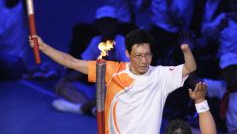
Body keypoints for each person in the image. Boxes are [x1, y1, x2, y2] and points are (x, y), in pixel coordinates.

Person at [29, 29, 196, 134]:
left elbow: (190, 67)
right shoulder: (111, 70)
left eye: (148, 55)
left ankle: (84, 108)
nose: (144, 60)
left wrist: (186, 50)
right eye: (139, 55)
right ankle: (86, 108)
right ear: (128, 54)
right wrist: (43, 47)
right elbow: (70, 62)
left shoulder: (160, 75)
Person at [52, 5, 129, 115]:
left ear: (115, 23)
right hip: (97, 92)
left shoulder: (122, 42)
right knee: (63, 87)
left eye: (110, 22)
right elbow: (82, 67)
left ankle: (84, 108)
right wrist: (64, 79)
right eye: (103, 22)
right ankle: (93, 108)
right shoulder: (95, 41)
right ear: (97, 25)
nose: (106, 26)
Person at [203, 53, 237, 133]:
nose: (231, 73)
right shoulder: (222, 86)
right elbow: (194, 82)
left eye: (234, 69)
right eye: (227, 70)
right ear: (222, 73)